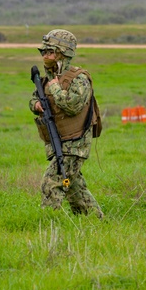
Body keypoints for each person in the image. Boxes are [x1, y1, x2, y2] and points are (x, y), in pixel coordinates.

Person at [30, 29, 103, 218]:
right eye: (43, 52)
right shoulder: (47, 79)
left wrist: (55, 88)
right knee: (74, 186)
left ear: (63, 53)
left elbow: (72, 106)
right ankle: (93, 219)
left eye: (50, 52)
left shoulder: (79, 79)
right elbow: (34, 98)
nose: (46, 56)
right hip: (59, 142)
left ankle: (47, 223)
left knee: (52, 182)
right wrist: (36, 105)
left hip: (75, 143)